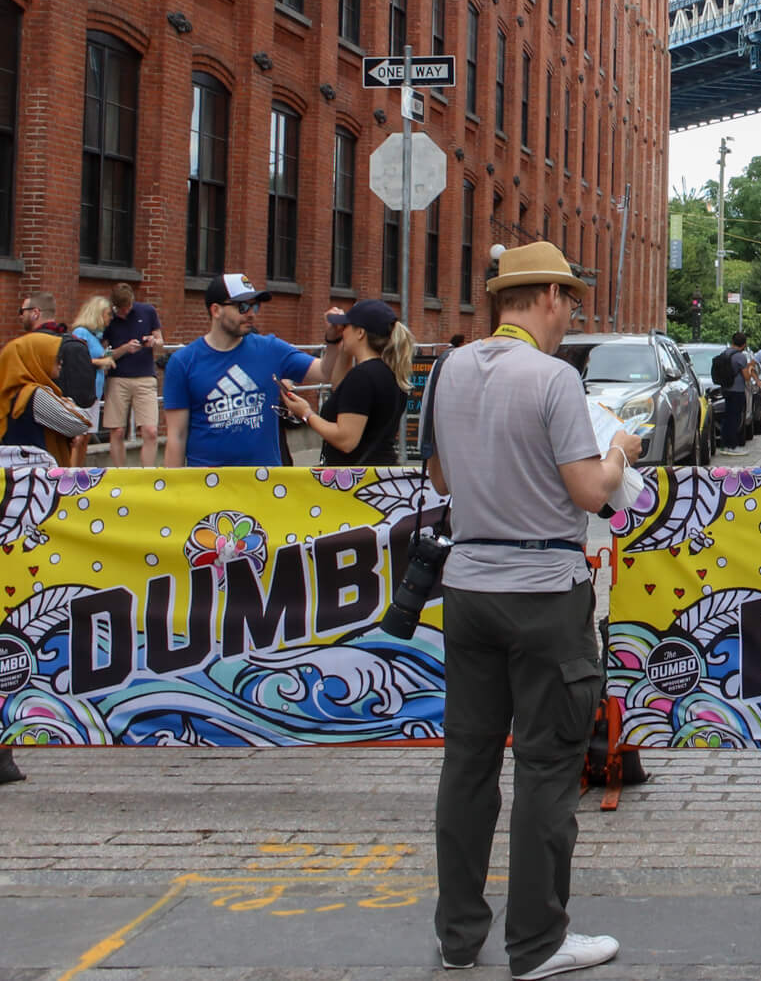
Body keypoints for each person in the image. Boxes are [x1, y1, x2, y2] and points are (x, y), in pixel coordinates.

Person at [425, 242, 640, 977]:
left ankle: (457, 939)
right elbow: (589, 492)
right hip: (545, 590)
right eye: (569, 301)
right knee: (547, 767)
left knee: (468, 763)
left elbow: (440, 474)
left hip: (468, 584)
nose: (568, 316)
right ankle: (538, 942)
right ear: (546, 295)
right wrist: (618, 449)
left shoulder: (449, 368)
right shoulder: (553, 379)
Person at [162, 274, 339, 469]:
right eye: (242, 307)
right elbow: (176, 436)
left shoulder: (271, 349)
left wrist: (333, 339)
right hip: (208, 486)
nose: (251, 314)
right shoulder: (183, 362)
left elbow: (324, 372)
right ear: (216, 310)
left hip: (263, 482)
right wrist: (173, 491)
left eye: (255, 306)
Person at [282, 300, 413, 467]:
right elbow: (341, 390)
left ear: (360, 332)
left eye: (346, 326)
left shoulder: (363, 376)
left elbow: (346, 440)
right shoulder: (389, 371)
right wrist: (342, 347)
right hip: (379, 471)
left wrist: (307, 414)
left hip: (356, 479)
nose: (342, 331)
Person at [0, 331, 94, 458]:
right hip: (40, 470)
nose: (61, 362)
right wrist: (67, 402)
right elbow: (82, 423)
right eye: (56, 357)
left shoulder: (11, 392)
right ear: (36, 359)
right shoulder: (34, 394)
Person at [101, 282, 165, 469]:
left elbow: (161, 341)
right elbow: (102, 355)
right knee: (117, 430)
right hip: (118, 378)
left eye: (128, 308)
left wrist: (154, 341)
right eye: (121, 310)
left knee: (150, 431)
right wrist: (124, 349)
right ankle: (121, 475)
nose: (125, 312)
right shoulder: (108, 318)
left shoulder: (147, 311)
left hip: (145, 376)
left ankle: (147, 475)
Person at [69, 295, 117, 450]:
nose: (110, 318)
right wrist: (102, 362)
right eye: (108, 314)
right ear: (98, 313)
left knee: (86, 437)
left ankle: (81, 470)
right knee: (79, 437)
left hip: (94, 393)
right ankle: (72, 472)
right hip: (82, 393)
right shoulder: (81, 332)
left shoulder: (96, 337)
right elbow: (77, 360)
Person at [711, 333, 750, 450]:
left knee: (727, 417)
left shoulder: (725, 353)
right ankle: (732, 445)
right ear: (744, 344)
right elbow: (746, 376)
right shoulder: (740, 357)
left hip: (726, 389)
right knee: (735, 418)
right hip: (737, 390)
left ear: (732, 342)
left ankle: (724, 443)